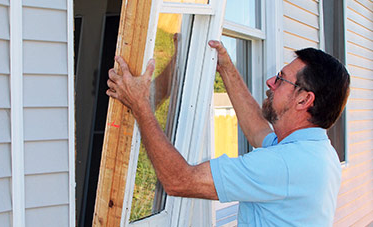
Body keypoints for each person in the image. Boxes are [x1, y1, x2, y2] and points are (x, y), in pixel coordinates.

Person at [106, 40, 350, 226]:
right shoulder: (315, 152)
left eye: (280, 79)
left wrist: (140, 104)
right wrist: (226, 68)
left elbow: (179, 181)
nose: (270, 82)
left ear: (304, 99)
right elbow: (258, 133)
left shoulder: (283, 164)